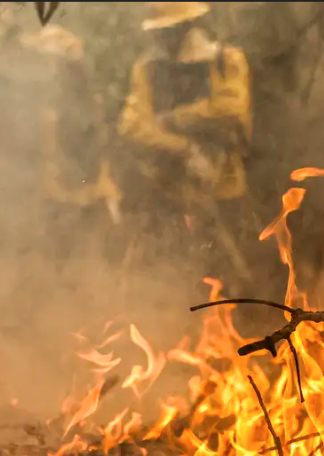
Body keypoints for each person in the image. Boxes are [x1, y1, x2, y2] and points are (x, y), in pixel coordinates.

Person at [118, 2, 253, 283]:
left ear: (188, 26)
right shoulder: (147, 68)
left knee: (227, 273)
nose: (163, 38)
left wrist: (174, 119)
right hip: (165, 187)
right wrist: (184, 148)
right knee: (168, 274)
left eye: (170, 30)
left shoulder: (224, 60)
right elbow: (133, 125)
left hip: (222, 185)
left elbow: (230, 109)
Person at [21, 24, 122, 263]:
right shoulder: (49, 99)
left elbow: (91, 147)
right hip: (59, 192)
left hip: (73, 193)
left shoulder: (79, 103)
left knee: (78, 257)